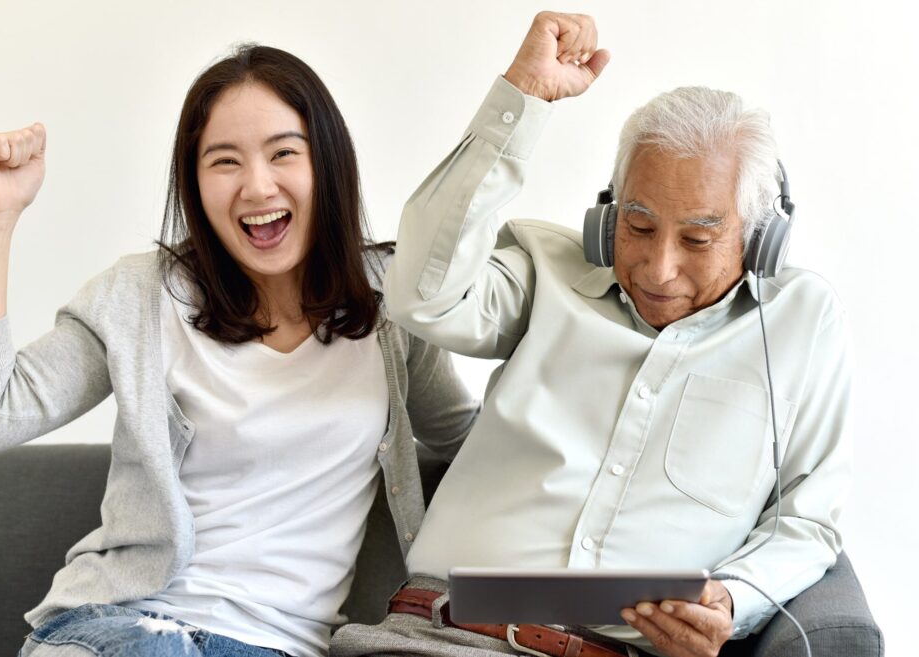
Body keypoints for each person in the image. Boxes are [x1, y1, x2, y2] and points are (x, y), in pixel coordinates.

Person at [330, 11, 851, 657]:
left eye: (697, 238)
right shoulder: (546, 269)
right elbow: (422, 295)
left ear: (761, 239)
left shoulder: (800, 322)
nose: (659, 268)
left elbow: (804, 519)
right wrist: (520, 101)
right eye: (637, 226)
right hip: (436, 639)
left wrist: (732, 599)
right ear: (608, 216)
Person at [0, 45, 479, 657]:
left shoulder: (391, 305)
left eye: (283, 153)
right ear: (194, 183)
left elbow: (476, 447)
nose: (256, 185)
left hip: (280, 645)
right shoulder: (140, 297)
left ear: (326, 164)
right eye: (224, 161)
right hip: (124, 627)